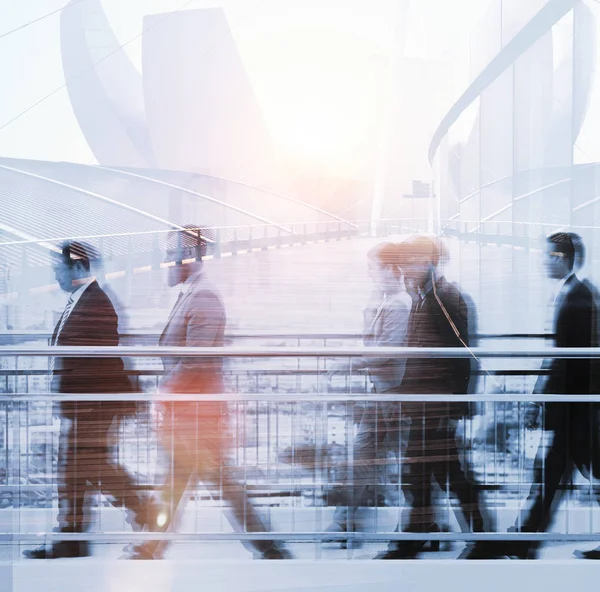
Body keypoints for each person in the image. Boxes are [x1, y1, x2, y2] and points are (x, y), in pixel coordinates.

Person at [127, 225, 290, 560]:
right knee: (203, 482)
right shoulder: (194, 293)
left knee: (207, 483)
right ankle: (265, 544)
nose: (166, 262)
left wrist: (164, 390)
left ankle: (154, 545)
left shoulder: (204, 297)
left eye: (171, 255)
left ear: (188, 257)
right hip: (192, 412)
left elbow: (197, 360)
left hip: (197, 413)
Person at [23, 241, 150, 559]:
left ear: (78, 268)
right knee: (75, 469)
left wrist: (82, 397)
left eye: (59, 269)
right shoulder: (81, 300)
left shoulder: (95, 303)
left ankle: (143, 507)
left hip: (93, 402)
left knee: (90, 466)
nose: (55, 276)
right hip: (84, 402)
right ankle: (72, 538)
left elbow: (98, 359)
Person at [374, 235, 486, 560]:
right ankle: (456, 536)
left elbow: (462, 356)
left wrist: (457, 407)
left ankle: (473, 538)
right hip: (427, 403)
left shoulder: (445, 299)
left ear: (427, 261)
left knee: (441, 473)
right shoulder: (427, 297)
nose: (404, 269)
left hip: (436, 404)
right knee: (428, 473)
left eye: (410, 262)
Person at [492, 232, 599, 560]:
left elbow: (567, 358)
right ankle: (526, 541)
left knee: (554, 474)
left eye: (548, 255)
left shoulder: (578, 296)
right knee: (552, 474)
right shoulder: (574, 292)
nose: (542, 261)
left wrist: (543, 398)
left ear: (561, 258)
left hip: (576, 407)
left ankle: (525, 541)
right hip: (574, 406)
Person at [325, 242, 412, 546]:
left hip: (396, 398)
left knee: (402, 465)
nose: (370, 275)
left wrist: (351, 362)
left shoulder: (400, 305)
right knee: (364, 460)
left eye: (374, 268)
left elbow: (385, 350)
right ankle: (344, 521)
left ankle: (420, 527)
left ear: (392, 269)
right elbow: (370, 339)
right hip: (383, 397)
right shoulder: (388, 301)